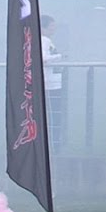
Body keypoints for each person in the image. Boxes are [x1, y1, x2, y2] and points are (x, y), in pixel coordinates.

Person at [41, 14, 64, 154]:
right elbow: (42, 58)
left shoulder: (47, 40)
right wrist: (60, 56)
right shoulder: (44, 40)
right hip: (50, 84)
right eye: (51, 27)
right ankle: (54, 145)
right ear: (43, 28)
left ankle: (54, 144)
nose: (53, 30)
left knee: (53, 115)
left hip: (53, 83)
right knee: (54, 115)